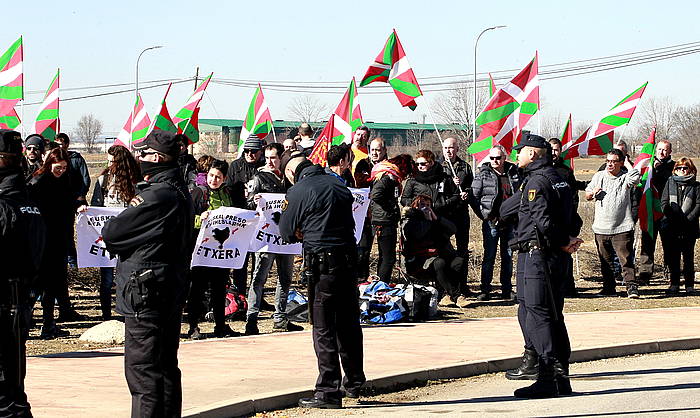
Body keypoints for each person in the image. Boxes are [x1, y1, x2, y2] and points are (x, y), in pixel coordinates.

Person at [102, 131, 194, 417]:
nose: (139, 159)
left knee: (144, 372)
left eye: (143, 154)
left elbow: (112, 232)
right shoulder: (178, 190)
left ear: (157, 158)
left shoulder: (157, 194)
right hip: (167, 287)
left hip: (147, 291)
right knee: (165, 367)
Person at [279, 151, 365, 409]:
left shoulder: (299, 190)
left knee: (324, 326)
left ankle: (328, 391)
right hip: (348, 261)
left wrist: (301, 230)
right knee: (348, 324)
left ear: (291, 173)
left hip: (322, 265)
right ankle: (354, 382)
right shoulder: (339, 185)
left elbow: (285, 232)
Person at [505, 133, 581, 398]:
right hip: (553, 255)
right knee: (551, 314)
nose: (516, 155)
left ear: (534, 153)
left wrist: (562, 241)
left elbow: (542, 221)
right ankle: (561, 378)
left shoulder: (537, 180)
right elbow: (574, 216)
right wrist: (569, 238)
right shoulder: (558, 177)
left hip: (538, 255)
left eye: (520, 151)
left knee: (538, 314)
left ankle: (548, 378)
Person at [0, 129, 45, 417]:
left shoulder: (5, 206)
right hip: (23, 296)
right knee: (15, 372)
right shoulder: (31, 203)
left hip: (5, 298)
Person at [245, 143, 304, 335]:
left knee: (285, 278)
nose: (270, 161)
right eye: (267, 157)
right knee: (259, 278)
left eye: (274, 158)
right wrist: (253, 201)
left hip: (286, 237)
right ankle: (251, 319)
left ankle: (280, 318)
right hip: (266, 239)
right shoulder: (259, 178)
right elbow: (248, 204)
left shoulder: (290, 180)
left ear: (281, 159)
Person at [28, 147, 82, 338]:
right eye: (58, 167)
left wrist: (79, 205)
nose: (61, 170)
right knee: (37, 285)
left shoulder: (65, 181)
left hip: (60, 239)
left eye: (64, 167)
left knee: (53, 284)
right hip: (43, 241)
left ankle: (49, 323)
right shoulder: (38, 183)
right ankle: (28, 322)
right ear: (49, 163)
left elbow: (69, 203)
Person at [84, 145, 142, 320]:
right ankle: (106, 316)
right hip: (109, 234)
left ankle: (125, 312)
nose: (110, 165)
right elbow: (96, 204)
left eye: (113, 162)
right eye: (108, 161)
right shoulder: (103, 180)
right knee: (107, 279)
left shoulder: (135, 180)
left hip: (129, 235)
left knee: (125, 277)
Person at [186, 159, 240, 339]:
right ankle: (193, 326)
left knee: (219, 289)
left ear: (224, 179)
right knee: (197, 290)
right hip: (201, 252)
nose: (213, 180)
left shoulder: (227, 193)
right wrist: (199, 219)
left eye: (218, 177)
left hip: (222, 252)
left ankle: (220, 326)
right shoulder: (198, 193)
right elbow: (186, 220)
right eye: (211, 175)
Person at [585, 148, 641, 298]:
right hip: (601, 227)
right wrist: (592, 194)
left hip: (622, 227)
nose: (609, 164)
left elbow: (636, 177)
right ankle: (609, 288)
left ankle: (631, 287)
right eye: (608, 161)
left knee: (626, 260)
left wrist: (628, 164)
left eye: (613, 161)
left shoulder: (625, 178)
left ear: (620, 163)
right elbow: (587, 195)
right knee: (606, 261)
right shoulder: (599, 176)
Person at [471, 145, 521, 301]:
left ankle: (507, 290)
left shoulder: (514, 173)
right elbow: (474, 197)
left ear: (504, 158)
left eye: (498, 158)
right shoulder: (483, 175)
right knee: (489, 256)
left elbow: (520, 194)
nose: (494, 161)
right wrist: (484, 215)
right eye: (492, 158)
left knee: (508, 256)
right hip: (491, 222)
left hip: (510, 222)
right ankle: (485, 290)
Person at [400, 195, 468, 308]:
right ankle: (456, 296)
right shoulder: (409, 221)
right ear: (415, 206)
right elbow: (418, 235)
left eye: (428, 205)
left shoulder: (434, 219)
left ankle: (447, 296)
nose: (426, 208)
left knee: (458, 262)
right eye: (422, 205)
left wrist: (438, 219)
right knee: (439, 263)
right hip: (419, 259)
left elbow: (453, 229)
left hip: (438, 255)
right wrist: (427, 221)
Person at [548, 138, 588, 296]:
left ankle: (568, 287)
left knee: (566, 255)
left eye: (556, 149)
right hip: (549, 220)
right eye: (551, 149)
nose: (554, 153)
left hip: (566, 220)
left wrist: (572, 218)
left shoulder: (565, 171)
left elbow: (573, 195)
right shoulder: (541, 171)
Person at [227, 135, 264, 295]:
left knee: (259, 261)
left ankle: (257, 296)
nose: (250, 154)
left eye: (253, 151)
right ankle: (240, 294)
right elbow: (227, 189)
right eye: (247, 151)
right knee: (240, 259)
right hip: (241, 218)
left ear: (260, 152)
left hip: (260, 219)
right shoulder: (235, 166)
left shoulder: (264, 167)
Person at [368, 154, 413, 283]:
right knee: (389, 258)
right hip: (384, 220)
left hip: (384, 219)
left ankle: (381, 283)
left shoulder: (388, 175)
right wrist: (391, 207)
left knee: (384, 256)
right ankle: (382, 285)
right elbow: (376, 195)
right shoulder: (387, 177)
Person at [660, 157, 700, 295]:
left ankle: (689, 285)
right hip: (672, 227)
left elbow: (698, 205)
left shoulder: (696, 186)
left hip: (689, 227)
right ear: (675, 170)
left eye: (685, 168)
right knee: (673, 258)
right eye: (679, 168)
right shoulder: (669, 183)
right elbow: (664, 203)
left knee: (688, 258)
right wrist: (672, 218)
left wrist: (687, 220)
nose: (682, 170)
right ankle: (674, 284)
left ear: (691, 169)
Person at [638, 139, 675, 284]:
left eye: (665, 149)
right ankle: (645, 274)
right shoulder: (648, 165)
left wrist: (660, 169)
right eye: (659, 149)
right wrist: (652, 169)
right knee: (647, 243)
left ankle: (671, 273)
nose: (661, 152)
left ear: (670, 151)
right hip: (650, 209)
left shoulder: (674, 166)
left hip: (668, 211)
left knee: (670, 244)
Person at [441, 137, 474, 295]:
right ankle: (446, 286)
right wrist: (449, 182)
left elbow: (472, 188)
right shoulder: (439, 167)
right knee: (444, 249)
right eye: (446, 148)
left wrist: (466, 191)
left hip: (461, 213)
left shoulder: (465, 167)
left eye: (451, 148)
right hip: (446, 213)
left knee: (462, 250)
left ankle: (463, 285)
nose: (448, 151)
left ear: (457, 149)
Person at [55, 133, 90, 268]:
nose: (59, 147)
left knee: (72, 233)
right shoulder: (54, 160)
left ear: (67, 145)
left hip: (75, 201)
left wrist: (81, 195)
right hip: (61, 201)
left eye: (61, 144)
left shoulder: (76, 159)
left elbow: (85, 178)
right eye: (56, 144)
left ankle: (75, 264)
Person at [401, 149, 460, 219]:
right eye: (417, 164)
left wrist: (443, 203)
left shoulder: (444, 178)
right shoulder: (412, 180)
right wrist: (417, 204)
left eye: (423, 164)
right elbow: (404, 199)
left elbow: (456, 196)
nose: (419, 166)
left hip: (441, 216)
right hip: (419, 218)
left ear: (431, 163)